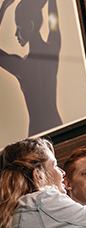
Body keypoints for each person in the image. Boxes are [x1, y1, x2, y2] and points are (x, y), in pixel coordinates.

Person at [0, 0, 62, 136]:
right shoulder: (53, 49)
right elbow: (54, 22)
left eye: (19, 28)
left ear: (30, 26)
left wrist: (4, 7)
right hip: (58, 126)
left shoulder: (21, 66)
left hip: (37, 134)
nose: (15, 34)